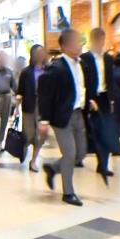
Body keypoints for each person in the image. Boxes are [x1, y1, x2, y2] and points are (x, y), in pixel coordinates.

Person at [38, 29, 88, 207]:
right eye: (75, 42)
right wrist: (44, 120)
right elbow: (45, 95)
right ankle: (68, 192)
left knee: (81, 153)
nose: (79, 45)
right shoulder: (56, 68)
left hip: (79, 113)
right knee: (69, 153)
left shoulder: (82, 64)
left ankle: (53, 168)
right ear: (65, 46)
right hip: (62, 117)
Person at [80, 28, 119, 184]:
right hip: (89, 98)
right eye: (98, 40)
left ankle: (103, 165)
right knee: (89, 130)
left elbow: (110, 80)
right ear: (92, 40)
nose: (101, 43)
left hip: (104, 98)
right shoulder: (84, 59)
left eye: (103, 40)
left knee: (105, 131)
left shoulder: (108, 59)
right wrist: (88, 99)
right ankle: (79, 156)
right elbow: (81, 81)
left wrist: (112, 99)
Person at [15, 44, 46, 172]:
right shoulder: (26, 72)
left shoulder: (48, 70)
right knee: (28, 134)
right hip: (28, 107)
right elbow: (20, 91)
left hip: (43, 108)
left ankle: (33, 161)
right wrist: (16, 108)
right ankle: (24, 148)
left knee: (40, 136)